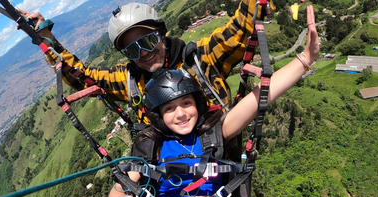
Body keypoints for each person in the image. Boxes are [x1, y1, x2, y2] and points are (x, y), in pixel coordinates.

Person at [108, 5, 318, 197]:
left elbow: (257, 98)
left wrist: (303, 61)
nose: (180, 113)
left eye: (186, 103)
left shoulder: (214, 133)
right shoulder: (148, 144)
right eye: (169, 109)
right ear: (158, 116)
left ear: (198, 104)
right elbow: (117, 191)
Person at [19, 0, 275, 123]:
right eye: (132, 50)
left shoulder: (201, 58)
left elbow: (243, 27)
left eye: (148, 41)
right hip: (171, 191)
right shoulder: (130, 80)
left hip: (224, 174)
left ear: (161, 34)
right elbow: (81, 76)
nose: (144, 54)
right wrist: (45, 37)